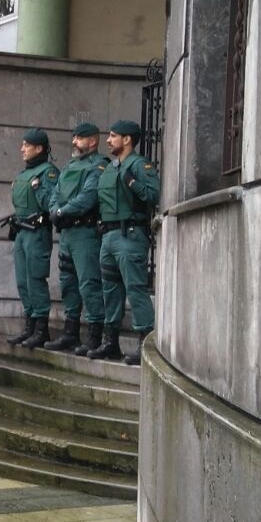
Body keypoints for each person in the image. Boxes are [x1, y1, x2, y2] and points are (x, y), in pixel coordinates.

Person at [90, 120, 162, 364]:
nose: (108, 141)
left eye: (113, 136)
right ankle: (111, 343)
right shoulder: (109, 168)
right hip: (108, 238)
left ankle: (146, 346)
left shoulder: (140, 165)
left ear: (127, 139)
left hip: (129, 236)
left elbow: (153, 195)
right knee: (110, 290)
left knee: (135, 289)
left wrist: (132, 182)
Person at [45, 123, 110, 356]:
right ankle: (70, 333)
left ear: (93, 141)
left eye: (79, 139)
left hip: (85, 234)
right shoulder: (70, 165)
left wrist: (61, 212)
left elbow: (88, 198)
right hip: (67, 234)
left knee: (88, 283)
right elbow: (55, 193)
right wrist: (54, 209)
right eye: (73, 138)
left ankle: (94, 335)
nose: (74, 142)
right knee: (68, 284)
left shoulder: (99, 165)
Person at [6, 128, 58, 349]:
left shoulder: (48, 173)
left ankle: (41, 329)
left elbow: (50, 203)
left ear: (39, 148)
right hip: (22, 232)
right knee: (22, 281)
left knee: (35, 279)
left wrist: (38, 189)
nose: (22, 149)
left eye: (27, 145)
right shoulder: (22, 175)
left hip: (37, 233)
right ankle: (29, 325)